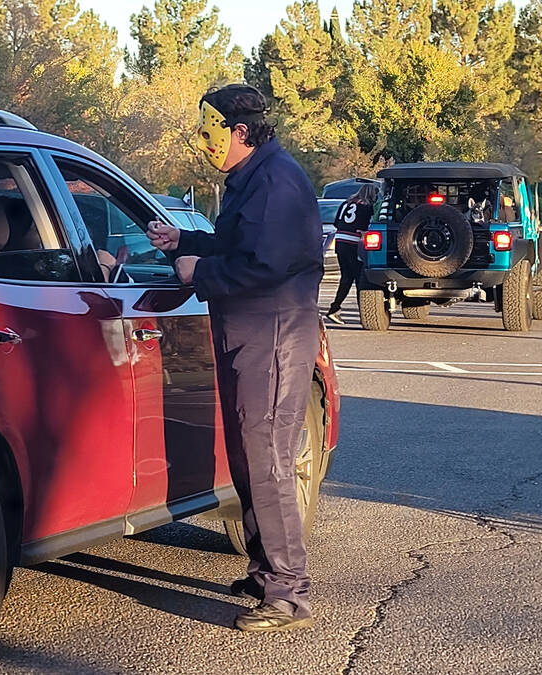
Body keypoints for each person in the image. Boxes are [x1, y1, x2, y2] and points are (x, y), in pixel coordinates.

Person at [147, 83, 323, 633]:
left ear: (239, 132)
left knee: (266, 457)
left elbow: (262, 266)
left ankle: (288, 592)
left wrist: (199, 273)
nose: (203, 143)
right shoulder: (252, 179)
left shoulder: (274, 182)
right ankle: (265, 571)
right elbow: (240, 244)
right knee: (250, 456)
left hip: (270, 334)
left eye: (208, 132)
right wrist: (186, 242)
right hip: (249, 332)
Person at [325, 184, 379, 324]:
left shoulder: (346, 203)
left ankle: (334, 308)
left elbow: (337, 222)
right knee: (360, 278)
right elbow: (366, 226)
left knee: (346, 277)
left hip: (340, 242)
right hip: (353, 243)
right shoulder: (366, 206)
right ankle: (365, 314)